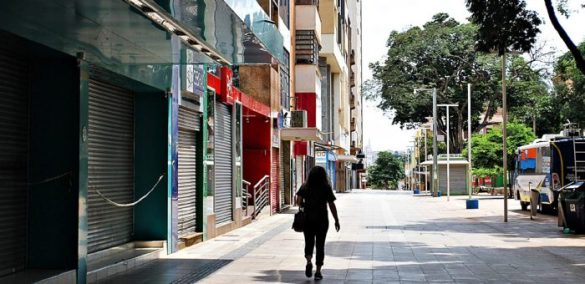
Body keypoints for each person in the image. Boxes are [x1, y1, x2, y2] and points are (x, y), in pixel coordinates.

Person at [295, 166, 340, 281]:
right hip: (322, 220)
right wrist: (336, 220)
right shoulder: (326, 187)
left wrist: (306, 205)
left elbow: (298, 202)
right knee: (320, 245)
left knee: (308, 242)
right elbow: (331, 205)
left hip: (308, 219)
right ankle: (318, 271)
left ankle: (309, 261)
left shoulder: (305, 186)